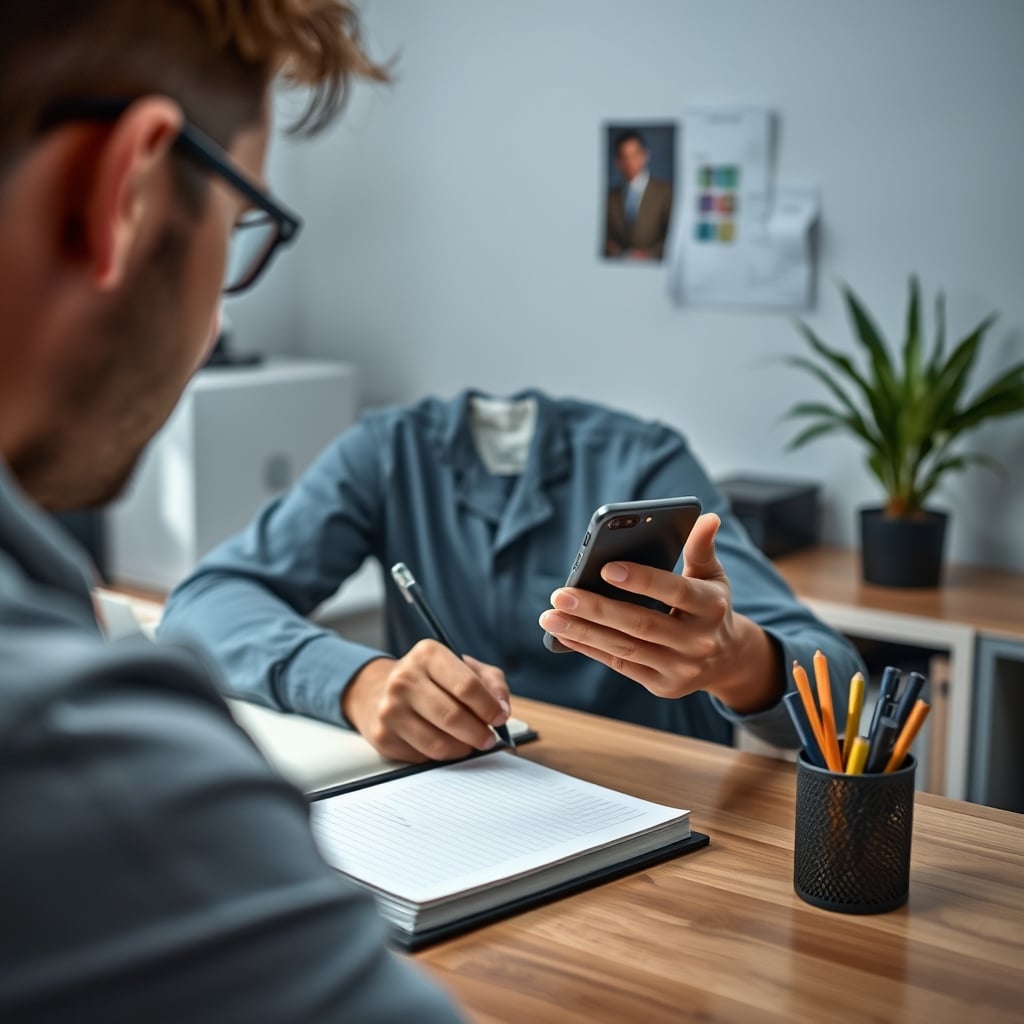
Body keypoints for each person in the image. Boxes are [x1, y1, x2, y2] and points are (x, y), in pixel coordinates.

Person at [0, 3, 465, 1021]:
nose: (216, 321)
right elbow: (216, 593)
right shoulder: (69, 741)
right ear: (121, 190)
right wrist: (357, 680)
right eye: (240, 221)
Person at [160, 389, 864, 764]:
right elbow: (201, 604)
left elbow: (845, 685)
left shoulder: (645, 462)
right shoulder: (386, 454)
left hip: (661, 838)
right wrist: (357, 682)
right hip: (454, 821)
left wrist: (736, 657)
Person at [603, 129, 674, 261]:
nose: (630, 162)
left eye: (635, 155)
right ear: (617, 163)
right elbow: (605, 236)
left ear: (645, 155)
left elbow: (674, 234)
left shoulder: (665, 191)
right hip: (618, 267)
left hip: (654, 266)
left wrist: (649, 255)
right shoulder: (610, 197)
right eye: (624, 157)